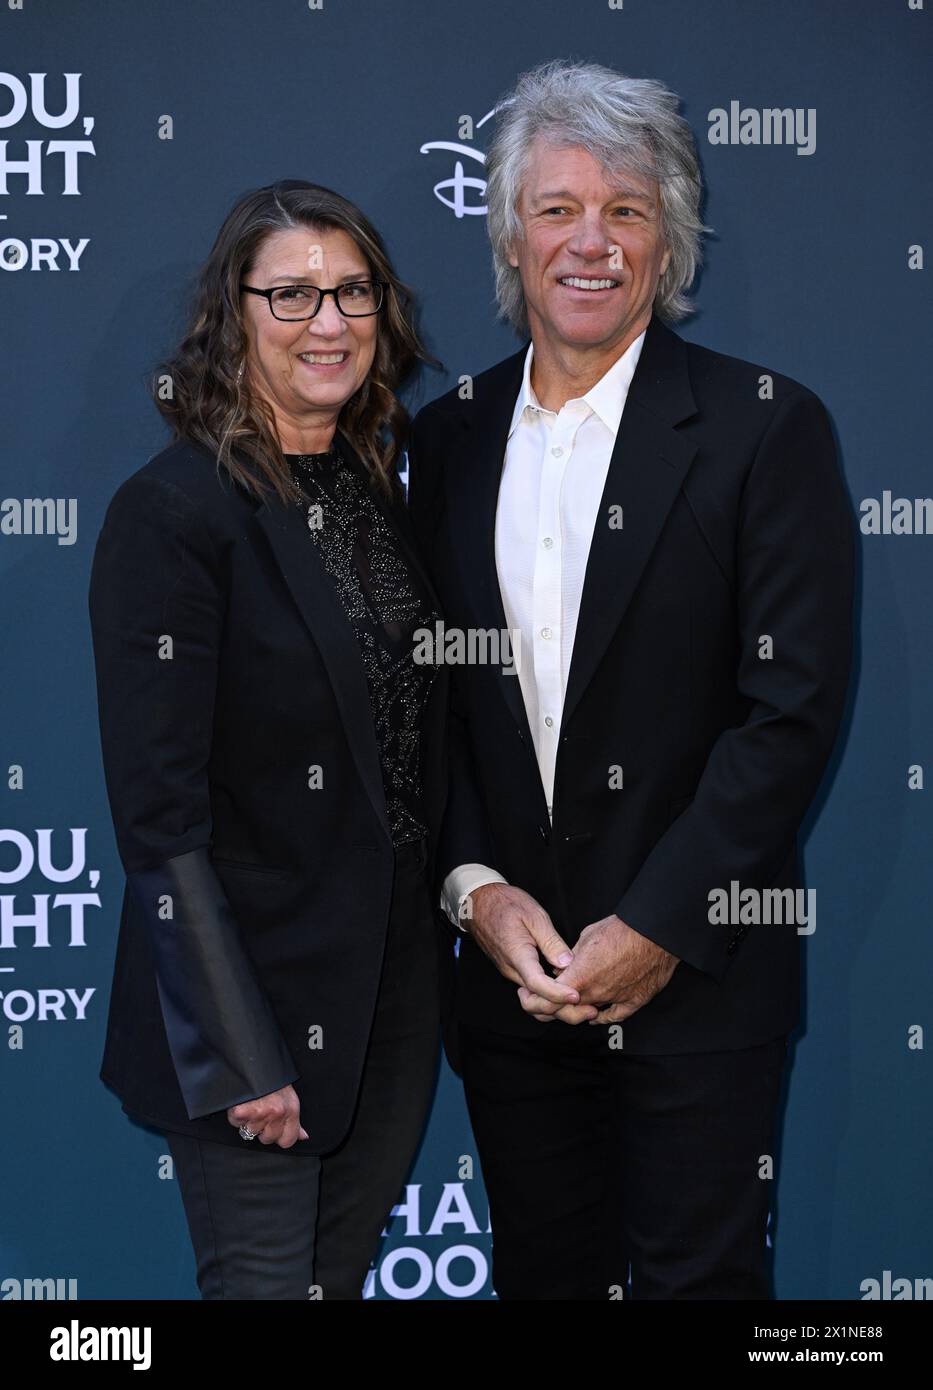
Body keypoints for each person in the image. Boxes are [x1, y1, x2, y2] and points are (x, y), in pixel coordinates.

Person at [407, 60, 855, 1300]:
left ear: (670, 241)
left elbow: (791, 713)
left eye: (627, 209)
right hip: (513, 994)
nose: (589, 242)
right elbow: (430, 703)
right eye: (556, 209)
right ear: (509, 236)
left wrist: (656, 926)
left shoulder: (766, 427)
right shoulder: (444, 439)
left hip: (701, 987)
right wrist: (477, 893)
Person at [88, 179, 447, 1300]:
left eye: (352, 292)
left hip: (388, 998)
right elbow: (158, 815)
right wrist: (241, 1048)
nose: (329, 322)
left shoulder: (373, 490)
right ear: (231, 314)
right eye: (291, 294)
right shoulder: (177, 511)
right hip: (253, 1010)